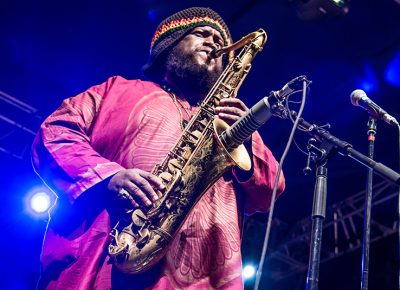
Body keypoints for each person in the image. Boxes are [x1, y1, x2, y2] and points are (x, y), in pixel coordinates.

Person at [32, 7, 285, 290]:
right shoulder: (117, 89)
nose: (214, 42)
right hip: (113, 256)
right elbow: (56, 132)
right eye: (202, 33)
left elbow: (271, 191)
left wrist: (245, 134)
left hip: (204, 276)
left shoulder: (231, 118)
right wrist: (108, 176)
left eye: (219, 40)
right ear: (170, 45)